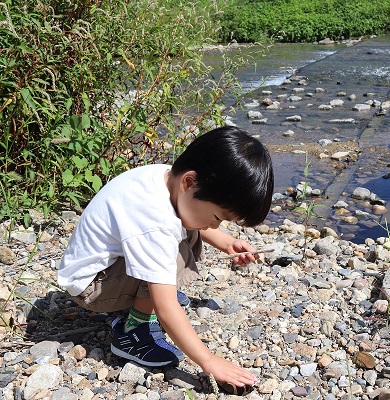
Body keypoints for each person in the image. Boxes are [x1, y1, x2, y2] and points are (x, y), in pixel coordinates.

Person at [58, 126, 274, 392]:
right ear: (189, 182)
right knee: (170, 259)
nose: (215, 225)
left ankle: (137, 300)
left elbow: (194, 220)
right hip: (91, 287)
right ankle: (133, 333)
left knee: (189, 233)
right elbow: (167, 308)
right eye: (218, 218)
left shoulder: (167, 177)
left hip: (101, 266)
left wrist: (228, 243)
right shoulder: (155, 221)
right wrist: (209, 362)